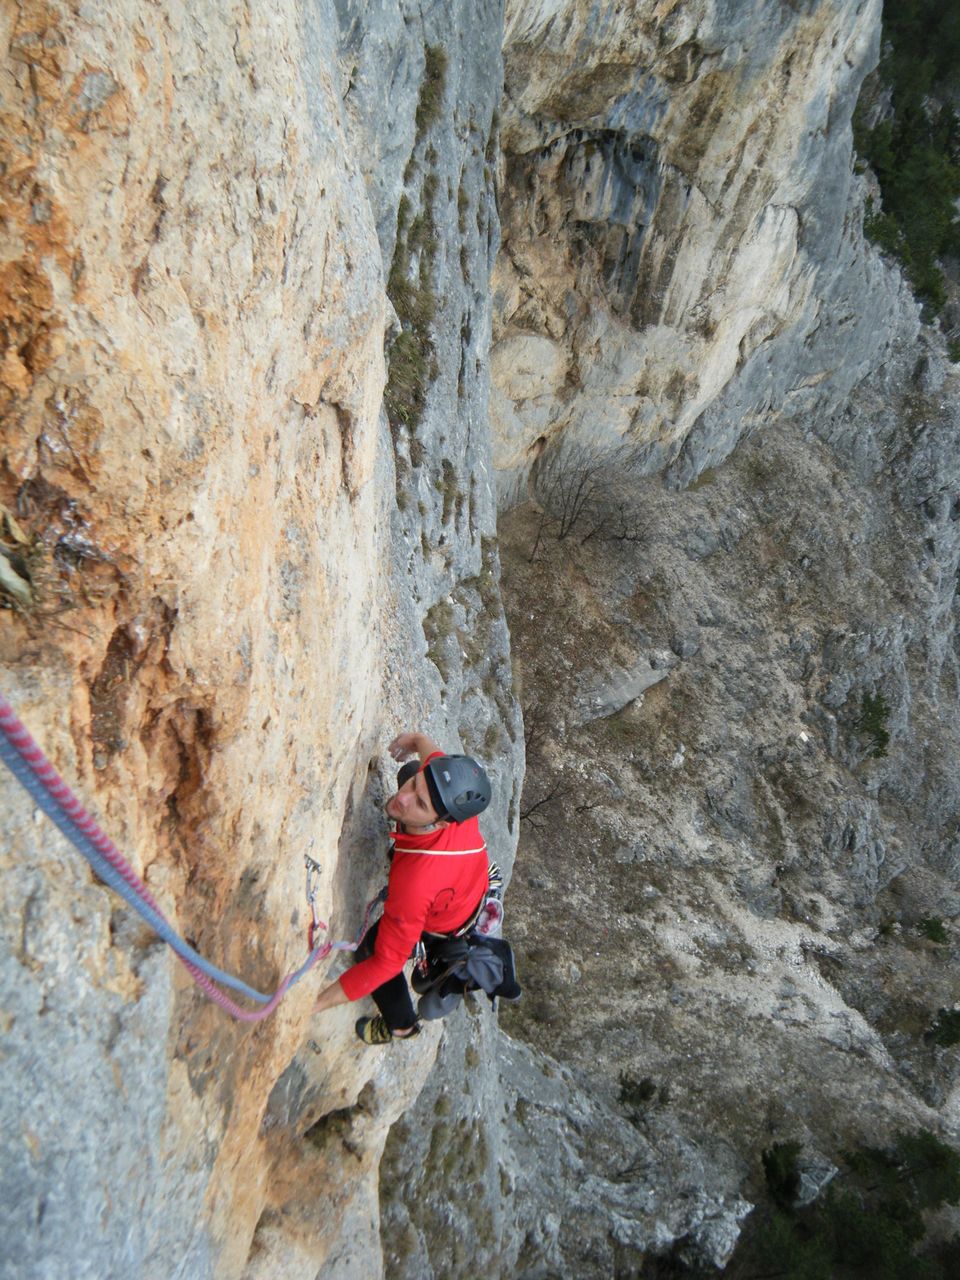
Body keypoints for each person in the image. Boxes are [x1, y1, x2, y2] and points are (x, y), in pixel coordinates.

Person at [313, 731, 493, 1044]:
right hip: (466, 882)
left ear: (440, 824)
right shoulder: (450, 798)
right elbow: (431, 758)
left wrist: (313, 1006)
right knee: (409, 771)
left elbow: (386, 964)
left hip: (443, 916)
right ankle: (415, 817)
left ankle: (401, 1025)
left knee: (371, 949)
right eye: (414, 788)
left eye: (420, 804)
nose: (404, 797)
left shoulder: (414, 885)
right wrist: (416, 740)